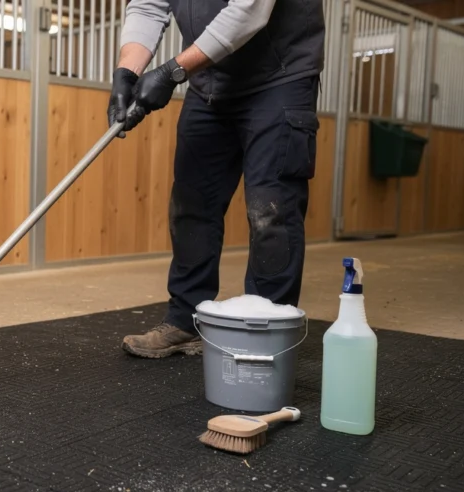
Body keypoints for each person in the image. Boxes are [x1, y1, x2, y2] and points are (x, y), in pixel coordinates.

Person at [110, 0, 325, 359]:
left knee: (270, 213)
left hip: (279, 77)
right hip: (210, 84)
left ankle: (265, 335)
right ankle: (186, 321)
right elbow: (148, 6)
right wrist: (126, 74)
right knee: (191, 204)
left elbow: (250, 10)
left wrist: (172, 71)